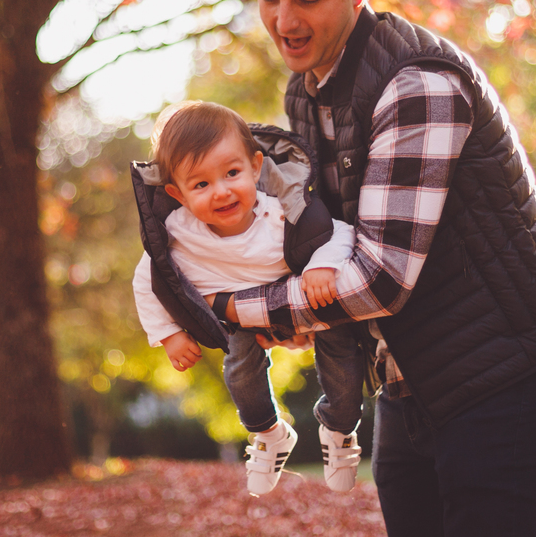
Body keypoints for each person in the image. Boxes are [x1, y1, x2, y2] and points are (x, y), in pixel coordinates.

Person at [209, 0, 536, 537]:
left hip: (502, 363)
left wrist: (237, 309)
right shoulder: (307, 87)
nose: (283, 22)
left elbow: (378, 277)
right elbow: (324, 241)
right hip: (407, 370)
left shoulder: (417, 86)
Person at [131, 100, 366, 496]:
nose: (221, 192)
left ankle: (340, 430)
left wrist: (322, 266)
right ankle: (271, 434)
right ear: (178, 193)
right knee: (239, 369)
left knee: (342, 355)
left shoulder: (280, 217)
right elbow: (149, 279)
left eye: (232, 173)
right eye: (201, 184)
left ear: (256, 167)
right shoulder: (180, 235)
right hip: (240, 319)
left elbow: (339, 233)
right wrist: (169, 334)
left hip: (304, 299)